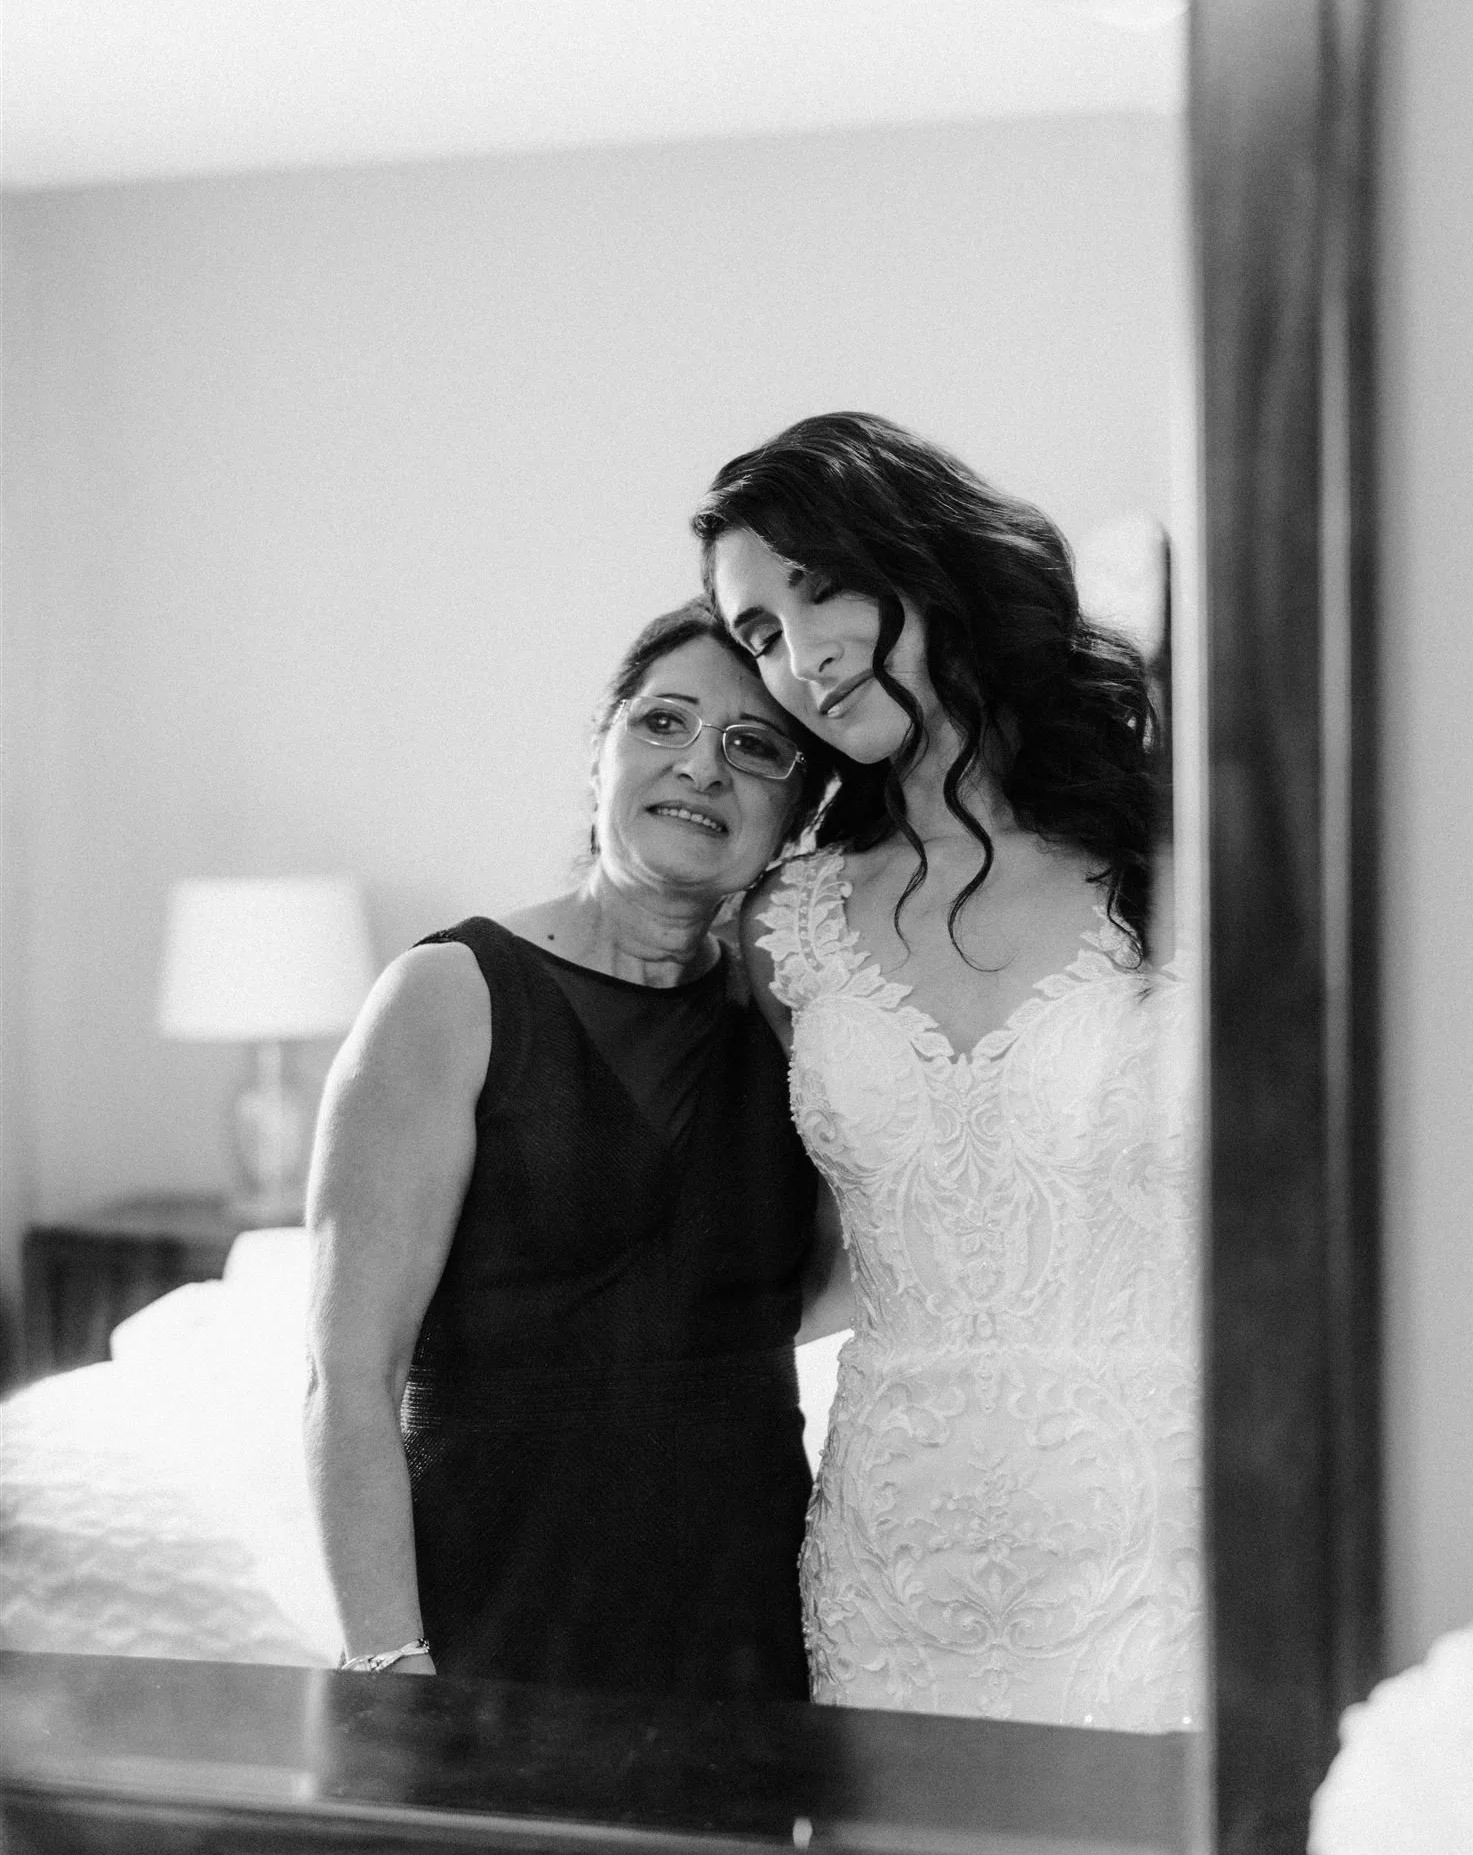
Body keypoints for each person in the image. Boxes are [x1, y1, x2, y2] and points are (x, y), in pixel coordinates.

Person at [693, 412, 1201, 1731]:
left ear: (927, 562)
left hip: (1161, 1541)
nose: (802, 655)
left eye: (822, 587)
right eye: (760, 632)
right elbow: (765, 1247)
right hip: (891, 1558)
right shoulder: (784, 925)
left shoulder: (1184, 860)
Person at [303, 600, 838, 1697]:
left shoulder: (800, 1022)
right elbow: (349, 1377)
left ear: (795, 814)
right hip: (497, 1629)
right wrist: (388, 1665)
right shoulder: (448, 997)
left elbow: (831, 1281)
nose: (701, 764)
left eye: (754, 745)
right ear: (600, 753)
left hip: (753, 1633)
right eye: (663, 721)